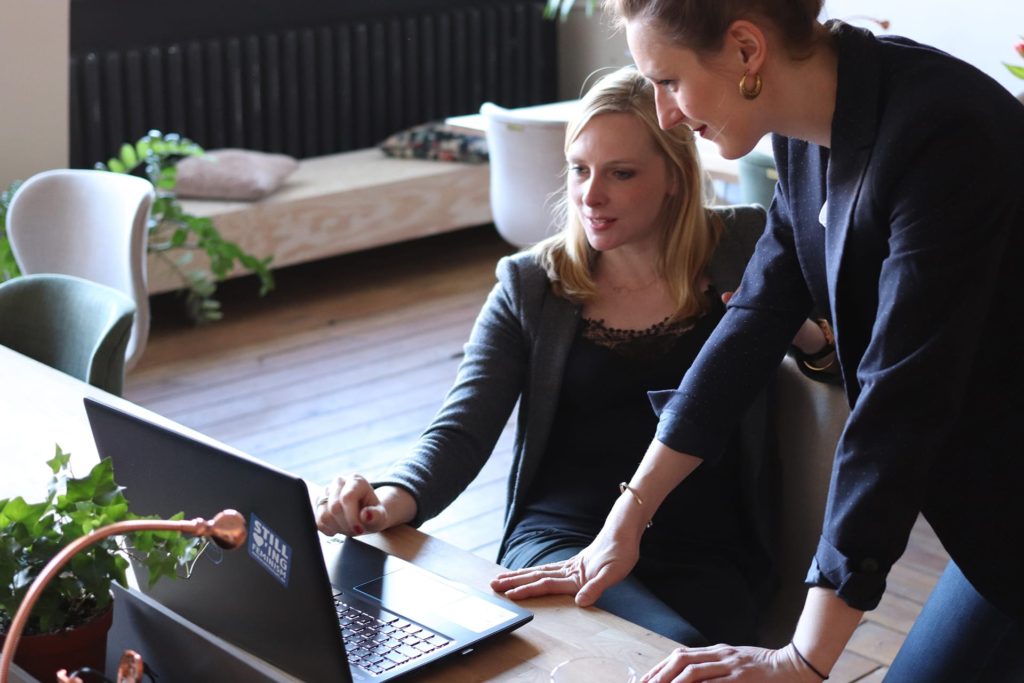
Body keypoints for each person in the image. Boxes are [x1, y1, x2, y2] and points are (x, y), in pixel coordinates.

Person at [491, 1, 1024, 681]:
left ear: (746, 50)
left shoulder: (944, 134)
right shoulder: (808, 135)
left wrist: (802, 659)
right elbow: (754, 319)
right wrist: (626, 519)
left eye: (670, 81)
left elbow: (900, 405)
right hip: (992, 514)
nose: (665, 115)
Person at [315, 65, 832, 646]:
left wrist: (802, 334)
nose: (591, 195)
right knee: (654, 647)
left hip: (708, 547)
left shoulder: (746, 244)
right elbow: (461, 428)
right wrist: (387, 501)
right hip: (562, 537)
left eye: (621, 173)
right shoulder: (532, 284)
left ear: (675, 177)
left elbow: (841, 367)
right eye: (580, 170)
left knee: (676, 648)